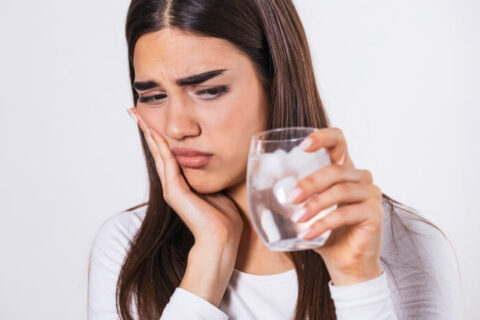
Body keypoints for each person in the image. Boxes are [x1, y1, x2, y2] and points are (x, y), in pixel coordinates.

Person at [87, 0, 460, 319]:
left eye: (209, 90)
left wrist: (356, 280)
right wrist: (208, 263)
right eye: (153, 96)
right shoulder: (127, 248)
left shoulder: (406, 245)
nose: (177, 127)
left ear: (276, 80)